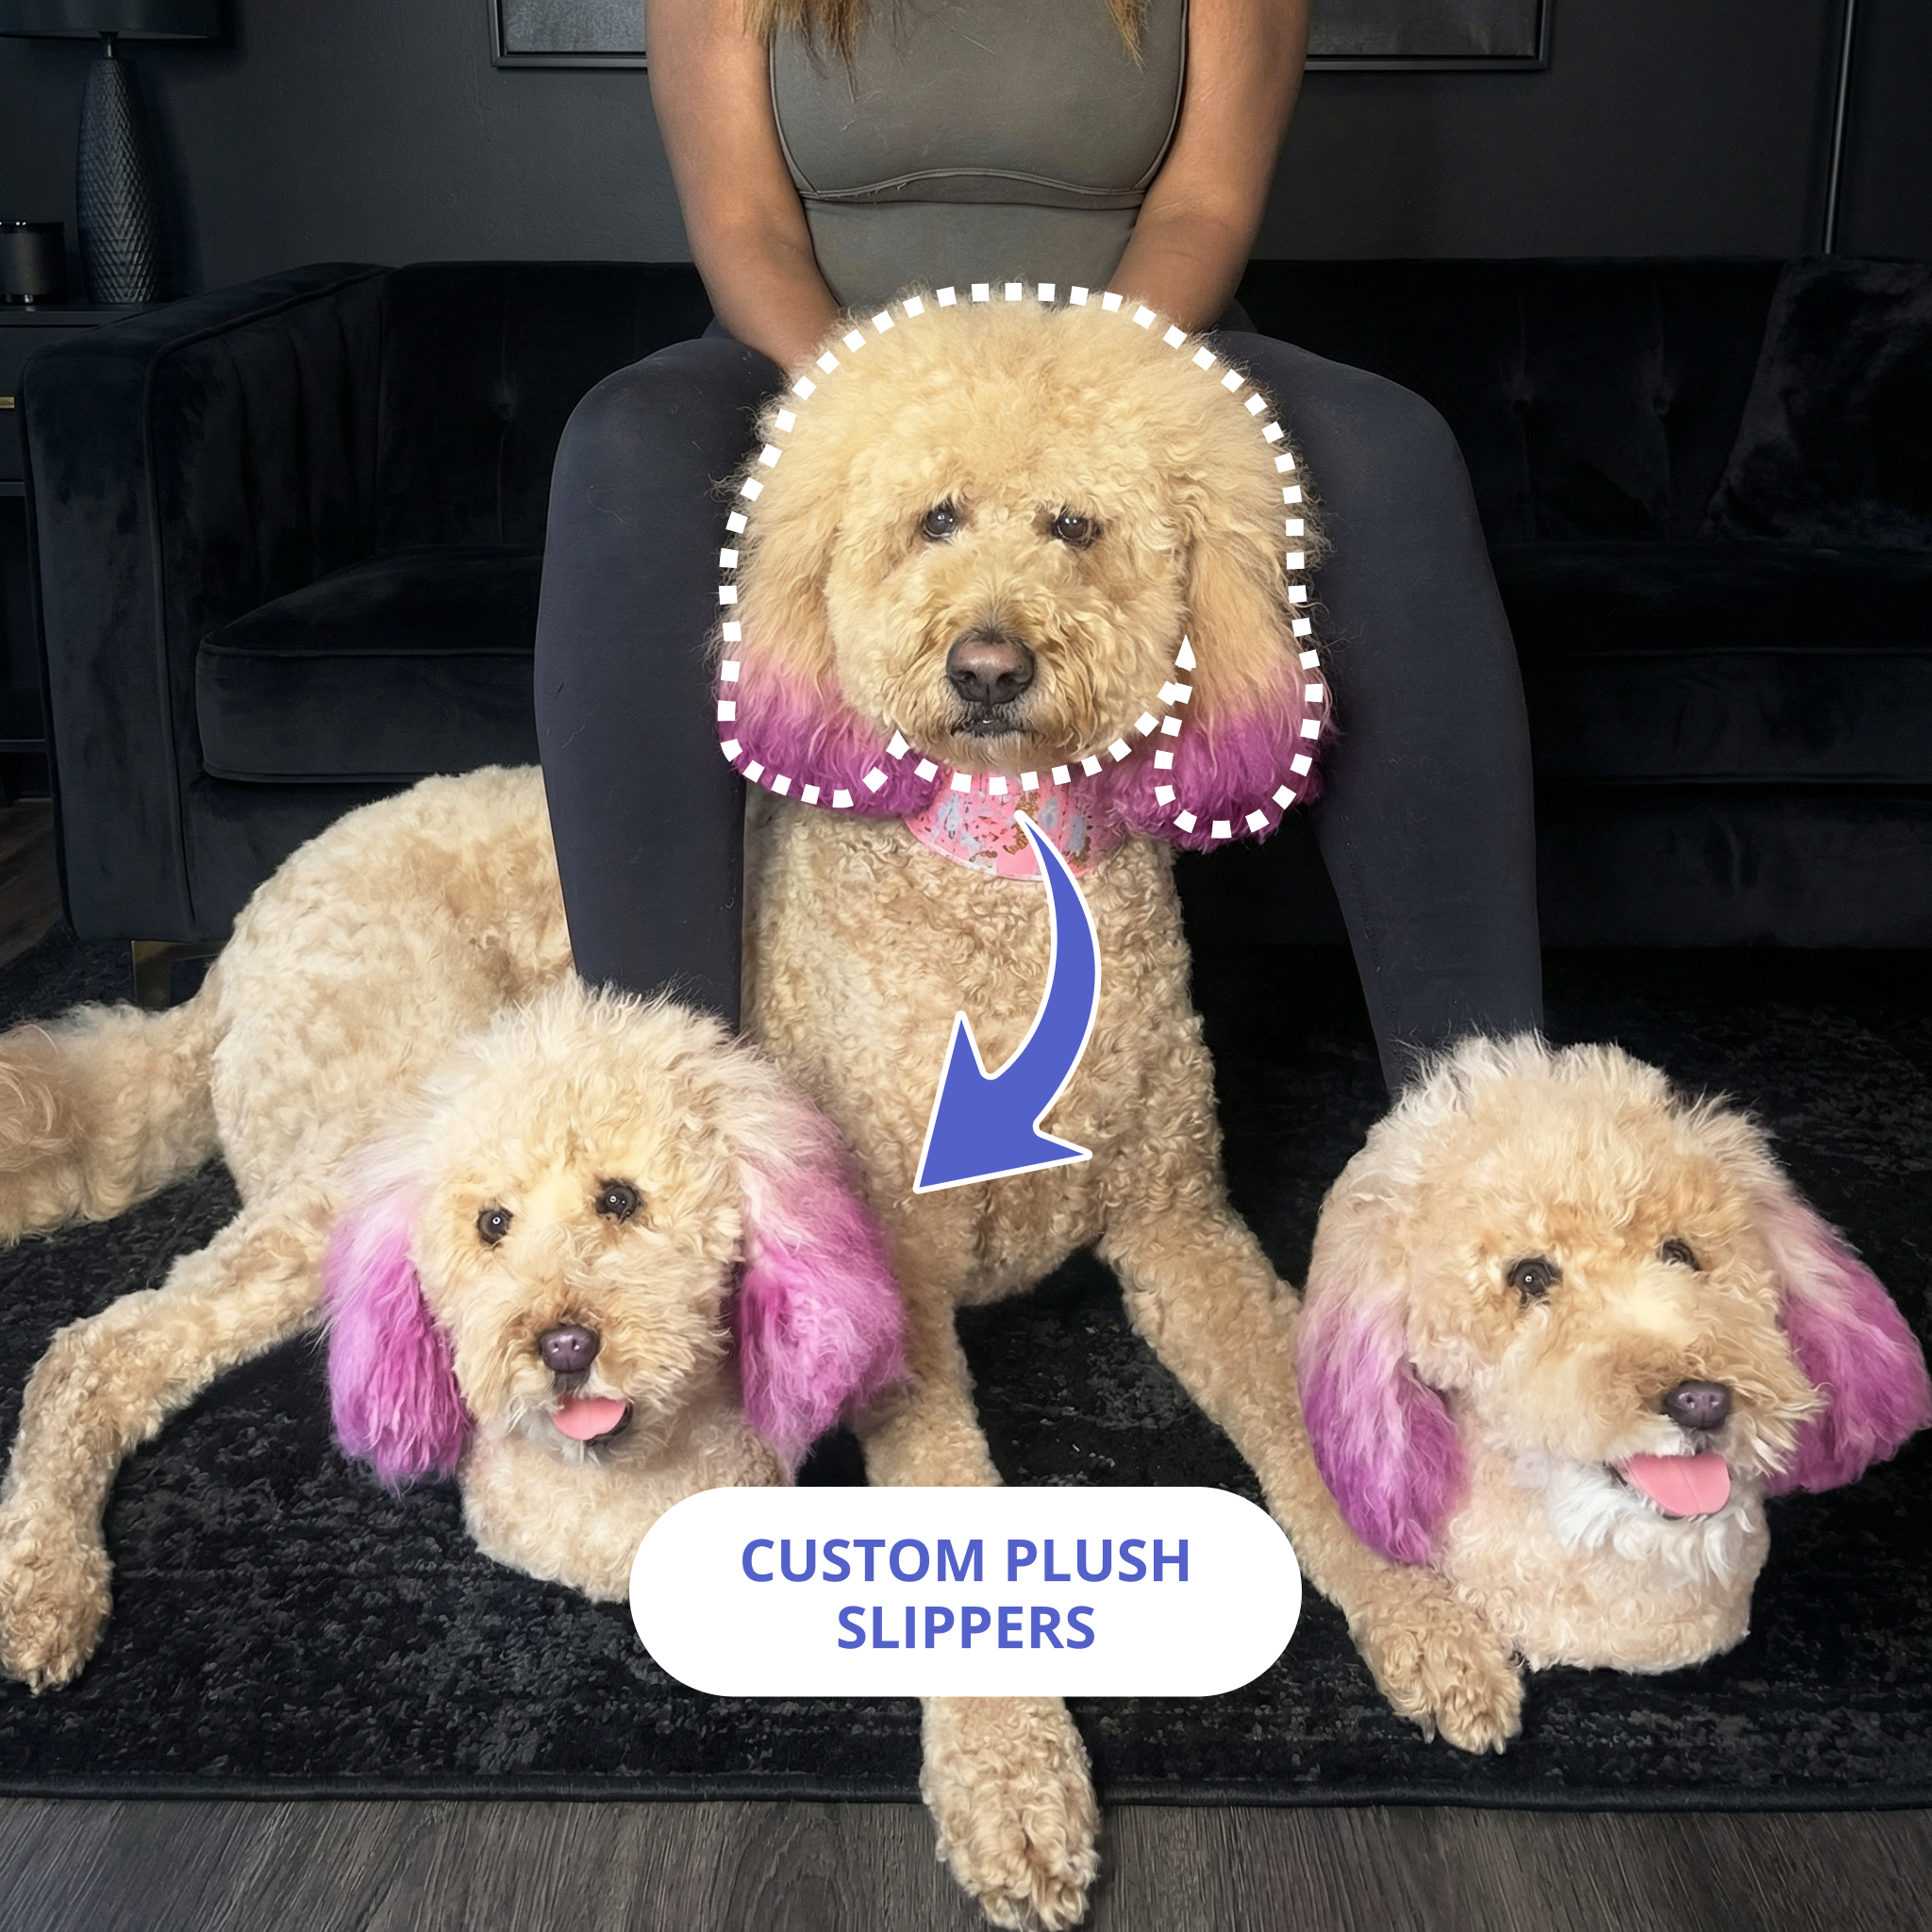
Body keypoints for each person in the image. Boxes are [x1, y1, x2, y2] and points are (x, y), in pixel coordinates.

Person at [534, 0, 1542, 1095]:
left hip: (1136, 358)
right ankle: (651, 1111)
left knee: (1387, 449)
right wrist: (877, 408)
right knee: (621, 448)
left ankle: (1482, 1116)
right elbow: (744, 226)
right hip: (815, 363)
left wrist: (1073, 403)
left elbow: (1200, 208)